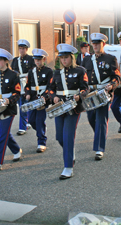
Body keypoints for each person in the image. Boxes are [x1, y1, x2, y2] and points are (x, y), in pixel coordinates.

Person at [47, 43, 88, 180]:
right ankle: (70, 153)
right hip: (60, 107)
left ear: (71, 57)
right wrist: (54, 97)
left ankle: (68, 167)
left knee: (68, 135)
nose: (64, 60)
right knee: (59, 137)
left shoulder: (80, 71)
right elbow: (50, 89)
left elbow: (85, 89)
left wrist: (79, 96)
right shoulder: (56, 73)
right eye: (61, 58)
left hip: (74, 107)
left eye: (66, 58)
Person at [81, 32, 119, 161]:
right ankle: (99, 134)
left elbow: (116, 77)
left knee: (101, 119)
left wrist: (112, 86)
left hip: (104, 92)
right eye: (94, 43)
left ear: (103, 44)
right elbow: (83, 77)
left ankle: (99, 149)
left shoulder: (110, 59)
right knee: (91, 118)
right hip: (90, 93)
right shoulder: (86, 59)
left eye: (98, 43)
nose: (95, 46)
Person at [23, 48, 52, 153]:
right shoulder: (31, 71)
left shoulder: (48, 71)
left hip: (43, 100)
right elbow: (27, 86)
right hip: (33, 99)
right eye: (36, 60)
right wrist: (27, 94)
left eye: (39, 59)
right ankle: (41, 130)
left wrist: (45, 96)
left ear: (44, 59)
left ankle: (41, 142)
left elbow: (50, 87)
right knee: (30, 120)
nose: (37, 62)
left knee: (39, 121)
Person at [11, 39, 35, 135]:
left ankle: (25, 123)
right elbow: (13, 71)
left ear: (26, 49)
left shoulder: (31, 59)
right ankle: (23, 125)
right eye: (20, 48)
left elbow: (33, 71)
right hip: (19, 83)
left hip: (27, 83)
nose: (21, 50)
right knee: (21, 105)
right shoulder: (15, 60)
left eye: (23, 49)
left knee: (27, 104)